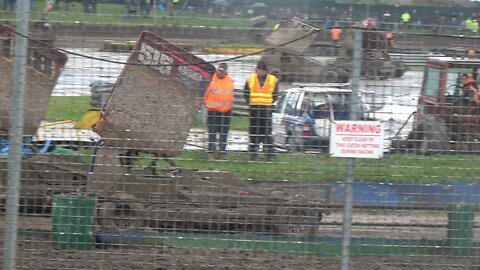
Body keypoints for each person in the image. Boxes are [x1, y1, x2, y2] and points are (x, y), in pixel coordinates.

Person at [243, 61, 279, 162]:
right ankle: (253, 154)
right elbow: (245, 93)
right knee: (253, 133)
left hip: (266, 110)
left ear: (266, 70)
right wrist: (252, 102)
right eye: (259, 70)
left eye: (263, 70)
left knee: (267, 133)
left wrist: (268, 103)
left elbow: (275, 95)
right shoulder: (250, 79)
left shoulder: (273, 80)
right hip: (254, 110)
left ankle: (270, 154)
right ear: (257, 69)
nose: (261, 72)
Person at [203, 63, 235, 160]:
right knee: (212, 133)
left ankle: (222, 152)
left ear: (226, 71)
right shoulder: (211, 79)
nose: (220, 72)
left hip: (226, 112)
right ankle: (211, 153)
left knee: (224, 134)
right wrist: (206, 104)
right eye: (219, 70)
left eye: (222, 70)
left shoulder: (230, 80)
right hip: (213, 111)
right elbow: (204, 92)